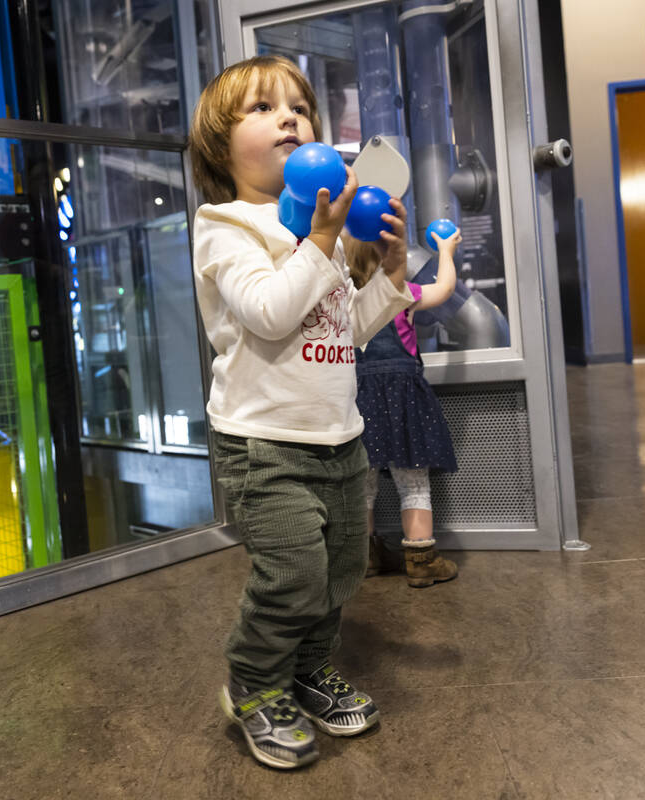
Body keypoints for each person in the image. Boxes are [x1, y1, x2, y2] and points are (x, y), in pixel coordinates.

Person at [188, 55, 422, 769]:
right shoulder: (225, 225)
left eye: (299, 106)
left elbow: (341, 331)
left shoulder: (320, 227)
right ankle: (256, 683)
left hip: (338, 438)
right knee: (291, 574)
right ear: (220, 151)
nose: (290, 116)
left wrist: (389, 271)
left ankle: (306, 668)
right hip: (264, 445)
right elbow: (267, 312)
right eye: (262, 109)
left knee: (340, 571)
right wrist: (322, 242)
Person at [345, 229, 461, 587]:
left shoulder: (342, 303)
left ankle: (365, 558)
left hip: (357, 406)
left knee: (362, 488)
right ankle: (421, 562)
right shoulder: (400, 294)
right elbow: (444, 290)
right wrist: (445, 249)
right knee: (413, 485)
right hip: (403, 404)